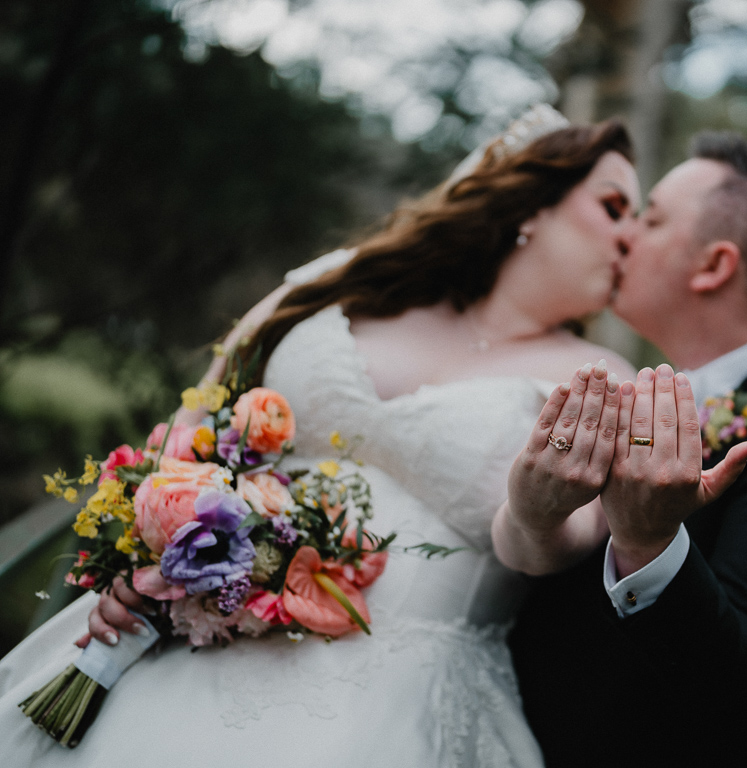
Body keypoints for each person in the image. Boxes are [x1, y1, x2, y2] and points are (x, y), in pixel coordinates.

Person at [0, 106, 643, 767]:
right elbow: (195, 417)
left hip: (397, 704)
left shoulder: (606, 381)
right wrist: (149, 558)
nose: (631, 236)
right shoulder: (348, 283)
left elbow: (554, 544)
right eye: (613, 206)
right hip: (193, 636)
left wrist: (536, 510)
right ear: (531, 201)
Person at [497, 133, 747, 766]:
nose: (624, 236)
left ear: (713, 266)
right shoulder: (642, 392)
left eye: (650, 220)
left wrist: (649, 544)